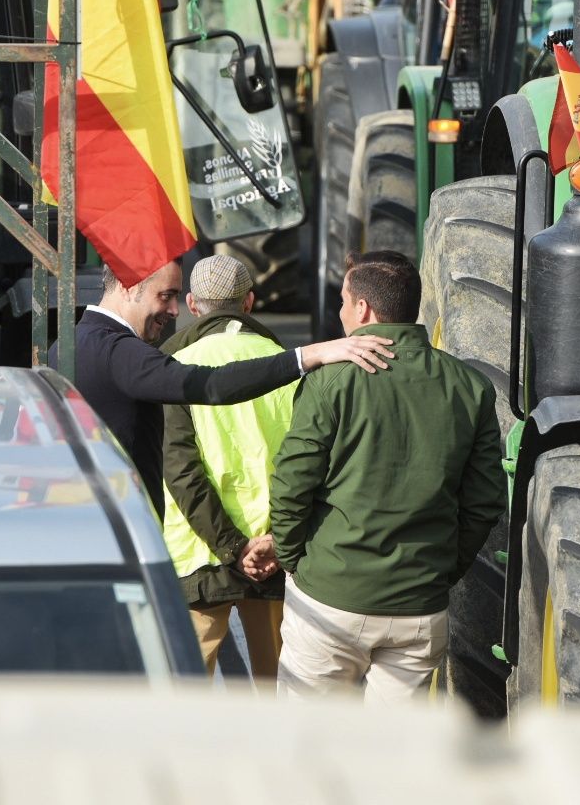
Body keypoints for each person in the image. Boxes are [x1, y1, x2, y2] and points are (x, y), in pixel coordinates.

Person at [255, 250, 503, 701]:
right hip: (419, 606)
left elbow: (293, 483)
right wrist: (441, 572)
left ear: (364, 309)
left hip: (330, 597)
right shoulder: (472, 387)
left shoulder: (331, 381)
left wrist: (293, 559)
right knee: (395, 745)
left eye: (343, 302)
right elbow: (484, 502)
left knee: (306, 737)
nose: (340, 313)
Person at [51, 259, 392, 518]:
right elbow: (212, 385)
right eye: (165, 296)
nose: (174, 311)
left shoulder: (66, 345)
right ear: (128, 287)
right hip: (122, 531)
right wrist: (309, 355)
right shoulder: (118, 352)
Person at [161, 255, 292, 680]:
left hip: (198, 555)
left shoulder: (173, 368)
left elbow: (181, 470)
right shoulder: (287, 363)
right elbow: (308, 465)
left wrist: (233, 548)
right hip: (273, 554)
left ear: (192, 305)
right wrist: (272, 543)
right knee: (279, 687)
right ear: (249, 302)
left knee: (186, 690)